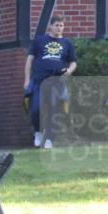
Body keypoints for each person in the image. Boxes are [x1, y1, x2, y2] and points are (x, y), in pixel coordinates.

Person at [24, 13, 77, 149]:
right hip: (39, 80)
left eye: (61, 25)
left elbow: (73, 62)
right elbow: (29, 60)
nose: (59, 28)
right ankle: (38, 132)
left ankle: (50, 140)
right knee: (36, 109)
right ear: (51, 27)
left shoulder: (67, 43)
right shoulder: (40, 40)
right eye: (56, 25)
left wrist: (69, 71)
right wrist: (27, 80)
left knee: (55, 111)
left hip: (56, 81)